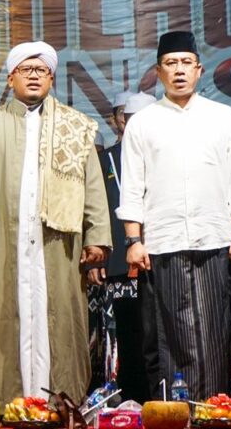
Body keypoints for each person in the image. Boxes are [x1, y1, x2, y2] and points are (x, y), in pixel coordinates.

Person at [0, 42, 110, 400]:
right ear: (11, 78)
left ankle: (60, 399)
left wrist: (97, 236)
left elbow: (92, 185)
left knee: (57, 313)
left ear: (52, 79)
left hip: (57, 243)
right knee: (5, 313)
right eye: (27, 70)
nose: (35, 76)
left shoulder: (74, 126)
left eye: (42, 70)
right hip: (3, 240)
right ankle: (6, 398)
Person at [117, 31, 231, 400]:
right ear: (158, 72)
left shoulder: (223, 118)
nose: (179, 71)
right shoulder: (143, 123)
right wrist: (134, 240)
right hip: (162, 242)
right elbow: (132, 188)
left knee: (214, 328)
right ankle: (174, 411)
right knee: (167, 333)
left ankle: (213, 406)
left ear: (199, 70)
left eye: (186, 63)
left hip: (214, 238)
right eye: (171, 63)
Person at [93, 92, 154, 401]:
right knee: (121, 330)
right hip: (118, 260)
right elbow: (94, 210)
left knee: (156, 329)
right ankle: (120, 394)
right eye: (131, 119)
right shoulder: (104, 160)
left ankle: (158, 392)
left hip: (159, 256)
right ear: (121, 122)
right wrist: (96, 258)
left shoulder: (166, 153)